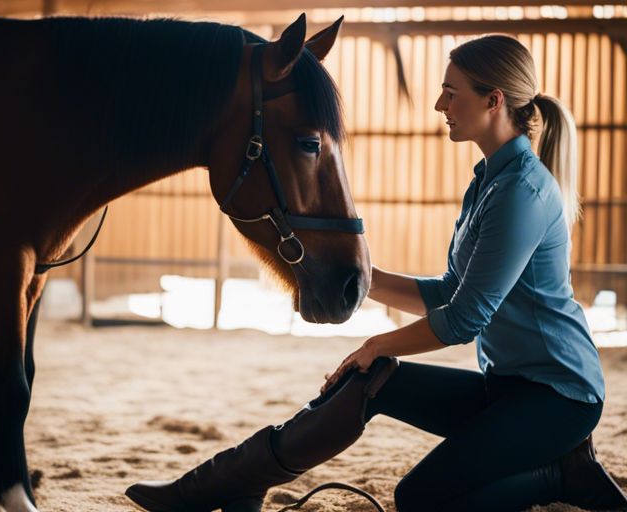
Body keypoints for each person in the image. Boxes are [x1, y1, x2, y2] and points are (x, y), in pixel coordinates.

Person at [125, 35, 627, 512]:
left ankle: (562, 474)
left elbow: (464, 319)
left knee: (420, 499)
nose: (439, 106)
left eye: (451, 94)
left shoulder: (522, 192)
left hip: (559, 398)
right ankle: (237, 481)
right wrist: (364, 277)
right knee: (372, 381)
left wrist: (375, 345)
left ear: (494, 100)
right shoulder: (489, 181)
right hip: (509, 386)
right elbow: (450, 291)